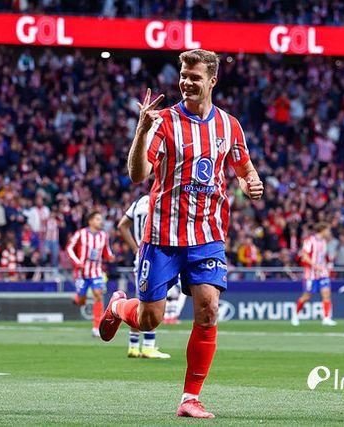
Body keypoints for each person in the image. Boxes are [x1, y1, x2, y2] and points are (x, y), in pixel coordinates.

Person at [98, 49, 264, 418]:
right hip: (163, 236)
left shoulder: (229, 126)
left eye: (195, 77)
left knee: (208, 309)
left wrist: (251, 182)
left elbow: (244, 168)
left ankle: (190, 398)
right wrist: (141, 131)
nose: (186, 82)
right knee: (150, 319)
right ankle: (118, 307)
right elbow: (137, 175)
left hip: (207, 234)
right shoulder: (163, 122)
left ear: (212, 81)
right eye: (183, 76)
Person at [117, 194, 171, 359]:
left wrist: (135, 249)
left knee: (141, 299)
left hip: (141, 254)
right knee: (154, 299)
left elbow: (122, 225)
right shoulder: (164, 197)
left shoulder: (138, 202)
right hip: (156, 253)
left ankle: (133, 345)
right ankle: (148, 346)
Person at [66, 211, 114, 338]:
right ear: (90, 221)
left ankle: (96, 327)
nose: (101, 221)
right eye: (98, 219)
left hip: (96, 271)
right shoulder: (80, 234)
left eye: (101, 219)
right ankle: (78, 298)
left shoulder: (103, 236)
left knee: (98, 295)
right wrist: (77, 262)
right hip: (81, 273)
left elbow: (106, 251)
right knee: (81, 301)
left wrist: (110, 256)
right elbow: (69, 248)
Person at [291, 222, 337, 327]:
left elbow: (323, 257)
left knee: (326, 293)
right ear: (322, 230)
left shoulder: (324, 242)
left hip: (322, 272)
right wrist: (315, 265)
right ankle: (295, 315)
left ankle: (326, 318)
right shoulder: (309, 240)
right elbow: (304, 256)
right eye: (328, 230)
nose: (329, 232)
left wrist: (328, 262)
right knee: (307, 296)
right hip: (311, 273)